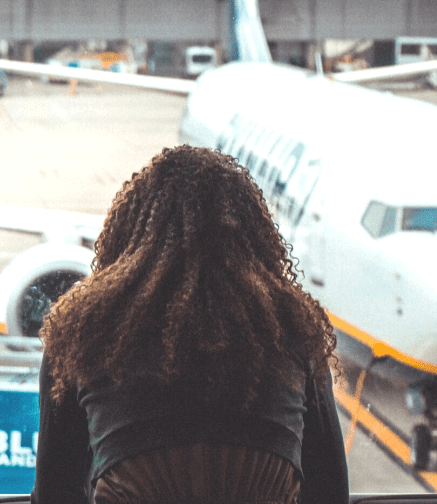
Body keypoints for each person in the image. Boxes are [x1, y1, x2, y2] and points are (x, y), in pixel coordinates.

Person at [32, 146, 348, 504]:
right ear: (254, 237)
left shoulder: (83, 334)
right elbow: (331, 490)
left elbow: (54, 492)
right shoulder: (295, 331)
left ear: (129, 235)